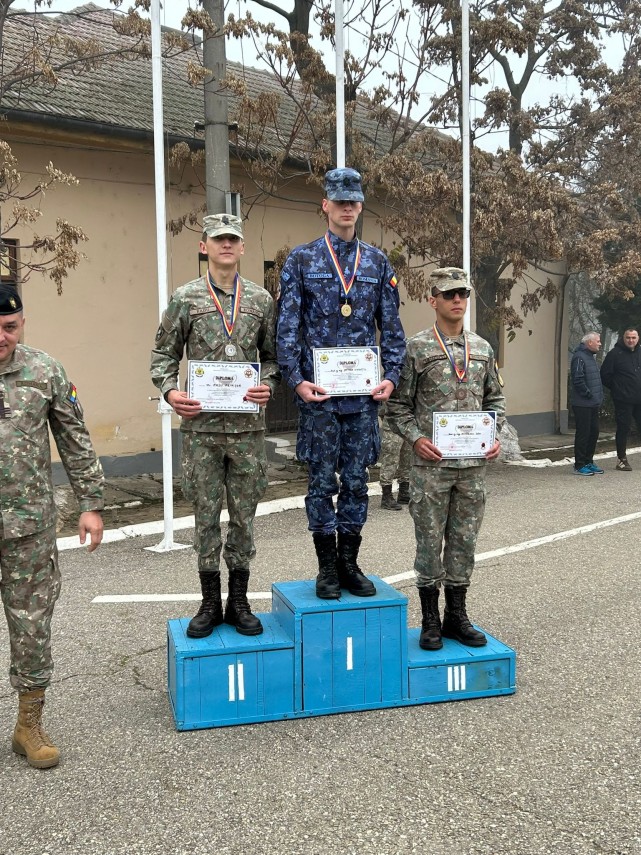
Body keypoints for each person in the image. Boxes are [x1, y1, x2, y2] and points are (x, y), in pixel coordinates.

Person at [277, 167, 405, 599]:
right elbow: (288, 327)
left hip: (363, 398)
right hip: (320, 396)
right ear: (325, 206)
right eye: (340, 200)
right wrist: (295, 380)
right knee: (320, 483)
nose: (347, 207)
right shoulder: (301, 260)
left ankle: (350, 561)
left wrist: (391, 377)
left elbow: (391, 326)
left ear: (360, 206)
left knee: (355, 480)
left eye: (354, 200)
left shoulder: (377, 262)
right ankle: (326, 567)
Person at [151, 213, 280, 639]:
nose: (226, 245)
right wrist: (171, 394)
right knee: (205, 516)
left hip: (246, 433)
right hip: (202, 431)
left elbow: (276, 357)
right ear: (203, 246)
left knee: (243, 516)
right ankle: (209, 601)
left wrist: (267, 383)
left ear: (242, 248)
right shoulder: (185, 298)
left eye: (233, 239)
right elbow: (163, 356)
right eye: (218, 239)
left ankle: (238, 600)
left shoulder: (261, 300)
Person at [0, 284, 104, 769]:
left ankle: (29, 725)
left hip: (29, 527)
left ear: (22, 323)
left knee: (32, 626)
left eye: (10, 327)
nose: (1, 337)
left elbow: (74, 437)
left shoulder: (44, 371)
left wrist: (91, 503)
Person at [386, 268, 505, 651]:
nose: (457, 300)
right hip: (430, 469)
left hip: (472, 468)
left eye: (462, 294)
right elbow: (397, 406)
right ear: (432, 299)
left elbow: (495, 402)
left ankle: (457, 616)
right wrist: (417, 439)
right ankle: (430, 620)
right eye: (449, 294)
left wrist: (494, 434)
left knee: (464, 541)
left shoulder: (483, 348)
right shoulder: (416, 348)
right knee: (428, 543)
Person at [600, 328, 641, 472]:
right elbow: (605, 375)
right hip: (623, 399)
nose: (631, 340)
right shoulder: (615, 354)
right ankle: (621, 459)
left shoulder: (639, 352)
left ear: (638, 338)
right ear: (623, 338)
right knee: (624, 428)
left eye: (633, 337)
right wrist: (618, 388)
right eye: (628, 337)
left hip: (639, 399)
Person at [570, 332, 603, 476]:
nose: (600, 344)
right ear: (589, 342)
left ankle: (589, 461)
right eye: (598, 341)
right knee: (583, 433)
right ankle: (579, 464)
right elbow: (578, 380)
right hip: (583, 403)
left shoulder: (590, 357)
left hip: (592, 403)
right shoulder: (579, 357)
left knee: (593, 432)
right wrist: (588, 394)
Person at [379, 403, 412, 510]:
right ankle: (386, 495)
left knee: (408, 457)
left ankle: (404, 491)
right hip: (393, 418)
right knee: (391, 458)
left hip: (410, 420)